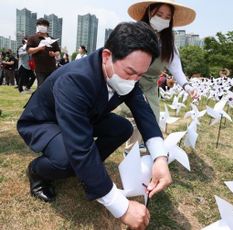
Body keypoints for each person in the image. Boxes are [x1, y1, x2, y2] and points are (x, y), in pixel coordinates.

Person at [17, 21, 172, 229]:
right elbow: (79, 147)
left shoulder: (128, 74)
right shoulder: (75, 79)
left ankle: (88, 174)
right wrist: (121, 206)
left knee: (123, 128)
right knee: (67, 159)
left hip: (82, 117)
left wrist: (160, 158)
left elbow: (144, 114)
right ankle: (37, 171)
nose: (134, 81)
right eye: (130, 72)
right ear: (107, 56)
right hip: (46, 121)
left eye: (140, 75)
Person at [123, 0, 199, 152]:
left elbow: (176, 68)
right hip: (130, 82)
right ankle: (130, 151)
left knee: (152, 120)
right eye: (159, 14)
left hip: (150, 86)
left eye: (167, 17)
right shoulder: (135, 33)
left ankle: (141, 151)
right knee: (132, 118)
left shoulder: (168, 42)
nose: (163, 19)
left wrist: (187, 86)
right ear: (149, 13)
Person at [27, 18, 60, 87]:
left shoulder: (52, 39)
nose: (42, 27)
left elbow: (58, 51)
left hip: (52, 68)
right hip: (39, 68)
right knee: (41, 86)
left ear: (47, 27)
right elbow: (29, 50)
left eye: (44, 25)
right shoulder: (32, 38)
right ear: (37, 27)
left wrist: (54, 54)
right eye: (40, 25)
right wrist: (38, 48)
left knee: (51, 86)